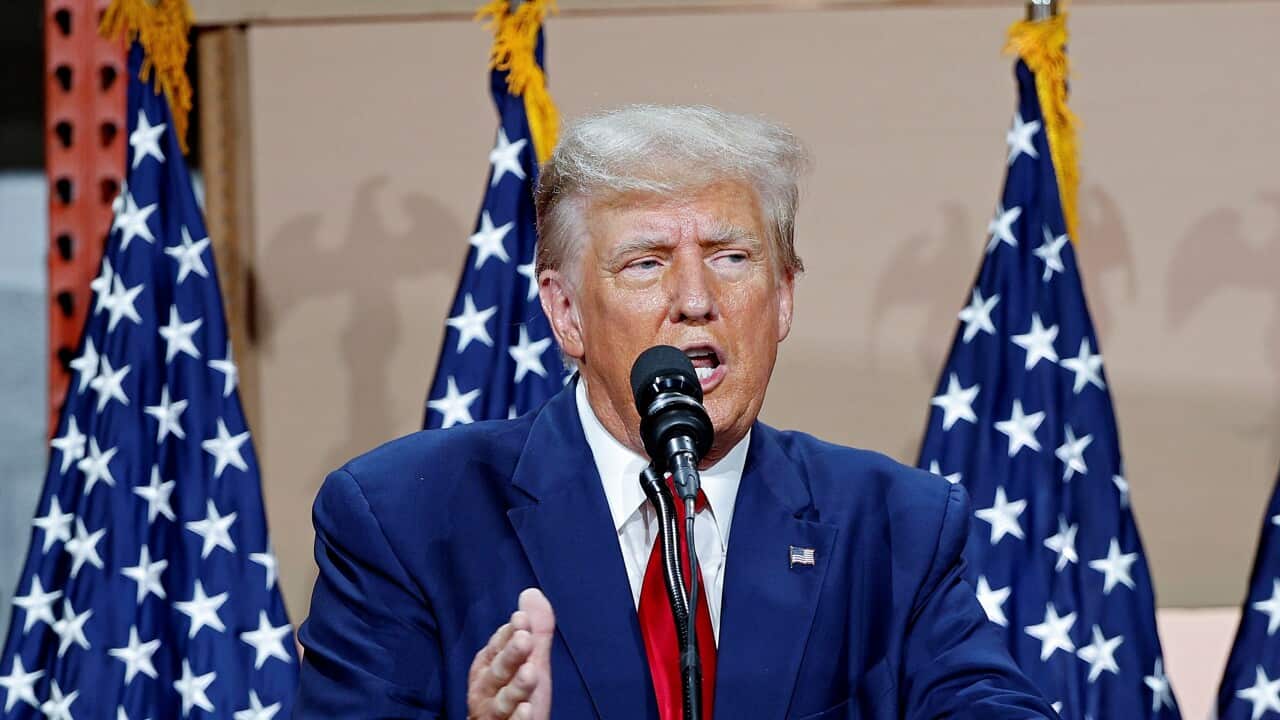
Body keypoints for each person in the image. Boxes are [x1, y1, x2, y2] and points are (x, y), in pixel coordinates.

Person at [294, 105, 1057, 719]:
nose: (696, 301)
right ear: (565, 314)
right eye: (646, 263)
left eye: (732, 257)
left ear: (783, 297)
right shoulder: (406, 519)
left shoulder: (893, 526)